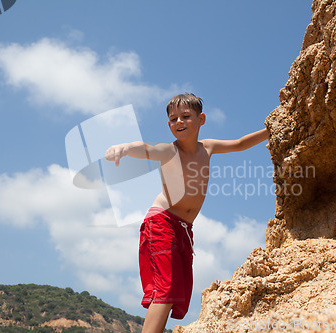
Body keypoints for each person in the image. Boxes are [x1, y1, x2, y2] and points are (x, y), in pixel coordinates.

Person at [105, 93, 269, 333]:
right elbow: (146, 148)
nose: (179, 122)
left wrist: (270, 129)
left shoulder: (208, 147)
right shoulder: (168, 151)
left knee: (174, 293)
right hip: (161, 222)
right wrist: (124, 147)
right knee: (166, 287)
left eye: (185, 117)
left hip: (184, 228)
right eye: (173, 119)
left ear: (201, 119)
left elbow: (240, 143)